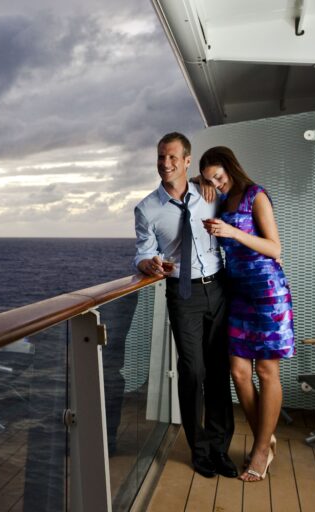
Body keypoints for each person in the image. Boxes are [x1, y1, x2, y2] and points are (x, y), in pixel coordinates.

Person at [133, 132, 236, 479]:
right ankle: (200, 449)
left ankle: (221, 447)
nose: (165, 163)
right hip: (182, 294)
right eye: (161, 157)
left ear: (188, 161)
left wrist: (201, 182)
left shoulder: (209, 195)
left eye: (173, 157)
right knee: (193, 371)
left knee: (219, 369)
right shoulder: (146, 208)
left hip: (218, 288)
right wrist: (147, 263)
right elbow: (144, 251)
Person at [199, 146, 295, 482]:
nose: (218, 184)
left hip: (267, 291)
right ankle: (265, 440)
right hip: (237, 293)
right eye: (212, 179)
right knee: (239, 372)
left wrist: (234, 232)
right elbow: (199, 180)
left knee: (267, 372)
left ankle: (259, 450)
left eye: (220, 177)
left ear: (232, 168)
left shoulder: (256, 195)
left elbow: (275, 248)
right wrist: (202, 181)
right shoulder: (220, 199)